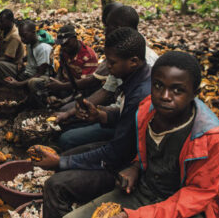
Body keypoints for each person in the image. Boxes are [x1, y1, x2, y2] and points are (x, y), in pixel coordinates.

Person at [64, 51, 219, 218]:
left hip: (187, 208)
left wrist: (134, 216)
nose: (165, 96)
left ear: (195, 92)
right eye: (158, 85)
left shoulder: (211, 137)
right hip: (144, 193)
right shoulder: (146, 109)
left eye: (177, 90)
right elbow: (146, 149)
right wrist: (135, 167)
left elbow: (198, 194)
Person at [37, 27, 152, 218]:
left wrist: (62, 162)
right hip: (124, 152)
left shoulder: (141, 94)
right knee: (67, 151)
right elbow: (127, 119)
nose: (107, 66)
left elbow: (115, 153)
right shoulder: (135, 79)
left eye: (112, 62)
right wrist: (102, 116)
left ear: (133, 62)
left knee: (55, 184)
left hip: (129, 167)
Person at [53, 5, 159, 150]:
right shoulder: (119, 53)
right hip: (115, 114)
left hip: (128, 129)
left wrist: (102, 114)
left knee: (67, 139)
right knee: (67, 123)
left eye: (106, 26)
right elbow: (106, 91)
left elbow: (131, 120)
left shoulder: (143, 63)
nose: (104, 31)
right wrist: (70, 113)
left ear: (118, 27)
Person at [1, 20, 54, 104]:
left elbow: (40, 73)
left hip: (43, 77)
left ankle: (38, 103)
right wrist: (21, 61)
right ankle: (18, 94)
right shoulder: (30, 43)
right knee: (1, 66)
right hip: (28, 72)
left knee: (33, 82)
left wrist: (18, 83)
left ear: (33, 32)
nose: (22, 39)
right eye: (21, 36)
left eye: (24, 36)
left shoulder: (43, 48)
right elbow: (31, 55)